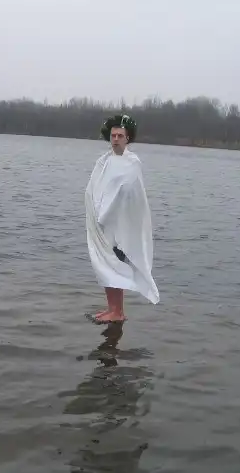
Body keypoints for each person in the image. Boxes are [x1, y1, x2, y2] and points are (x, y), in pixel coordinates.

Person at [84, 114, 160, 323]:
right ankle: (112, 309)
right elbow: (95, 187)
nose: (116, 139)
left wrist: (107, 211)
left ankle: (117, 312)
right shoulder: (104, 161)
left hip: (119, 226)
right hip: (103, 226)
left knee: (115, 266)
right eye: (113, 135)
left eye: (120, 136)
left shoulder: (131, 162)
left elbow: (126, 192)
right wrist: (95, 210)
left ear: (128, 138)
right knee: (105, 267)